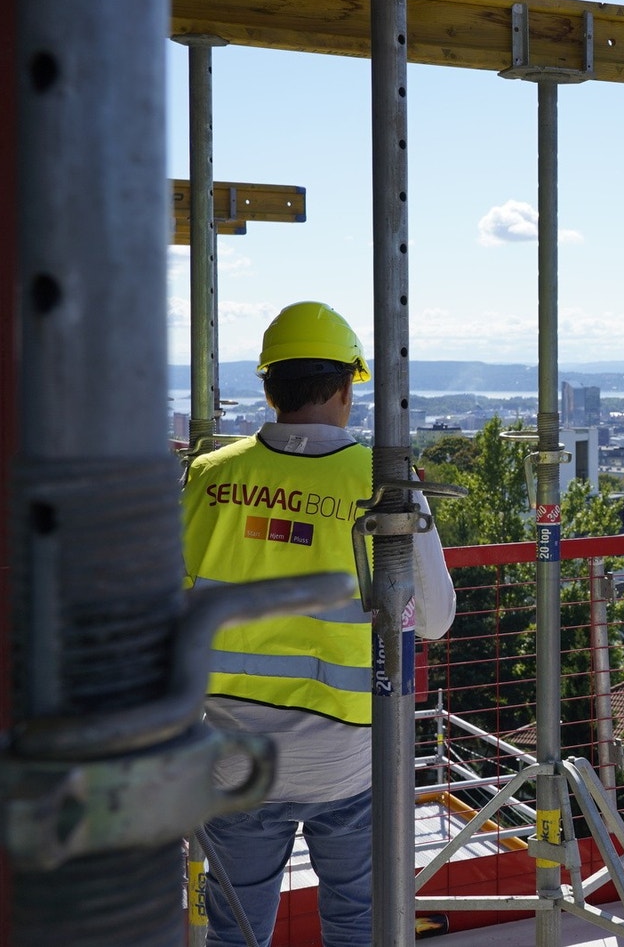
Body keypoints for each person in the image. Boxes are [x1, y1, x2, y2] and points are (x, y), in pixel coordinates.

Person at [182, 301, 454, 947]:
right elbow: (435, 619)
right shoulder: (384, 482)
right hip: (349, 760)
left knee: (234, 933)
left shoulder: (210, 475)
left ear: (270, 388)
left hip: (234, 757)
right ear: (345, 388)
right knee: (358, 925)